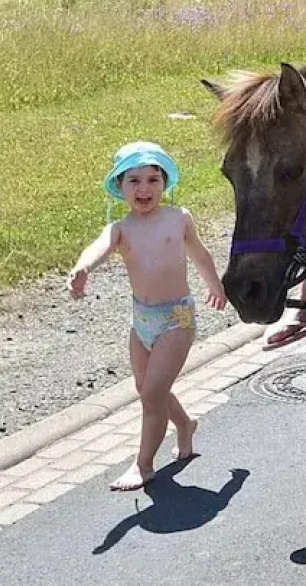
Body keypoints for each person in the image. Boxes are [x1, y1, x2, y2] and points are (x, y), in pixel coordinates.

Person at [68, 141, 226, 491]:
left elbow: (200, 255)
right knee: (147, 388)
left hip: (177, 318)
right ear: (120, 186)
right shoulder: (120, 228)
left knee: (152, 394)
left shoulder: (178, 218)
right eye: (134, 181)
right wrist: (83, 268)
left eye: (153, 180)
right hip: (141, 320)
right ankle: (184, 424)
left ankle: (143, 465)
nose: (144, 189)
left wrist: (215, 285)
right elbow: (98, 247)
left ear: (165, 183)